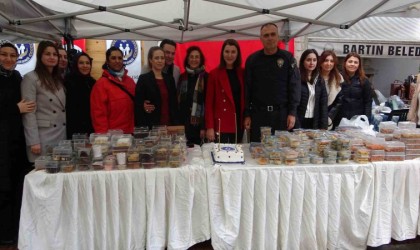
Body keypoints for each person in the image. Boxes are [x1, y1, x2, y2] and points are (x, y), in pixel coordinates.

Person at [0, 40, 35, 247]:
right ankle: (4, 235)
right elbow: (17, 107)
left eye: (12, 56)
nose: (8, 59)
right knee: (3, 189)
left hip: (16, 142)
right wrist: (15, 109)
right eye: (4, 55)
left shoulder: (16, 77)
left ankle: (15, 231)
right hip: (1, 144)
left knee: (16, 187)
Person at [244, 23, 301, 142]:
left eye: (273, 34)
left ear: (278, 37)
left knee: (280, 154)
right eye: (266, 35)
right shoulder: (252, 60)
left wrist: (292, 112)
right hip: (259, 115)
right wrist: (247, 114)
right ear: (261, 39)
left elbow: (294, 87)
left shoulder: (288, 58)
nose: (269, 38)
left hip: (281, 115)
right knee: (258, 152)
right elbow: (247, 89)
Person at [21, 40, 66, 163]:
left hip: (60, 134)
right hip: (43, 137)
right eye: (47, 54)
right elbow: (29, 112)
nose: (52, 57)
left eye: (54, 54)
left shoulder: (57, 79)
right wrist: (33, 141)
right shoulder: (30, 78)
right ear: (40, 56)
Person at [205, 39, 245, 143]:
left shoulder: (242, 73)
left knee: (237, 156)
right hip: (221, 124)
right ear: (222, 53)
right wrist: (210, 127)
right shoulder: (214, 74)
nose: (230, 55)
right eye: (227, 51)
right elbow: (209, 103)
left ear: (237, 54)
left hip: (238, 122)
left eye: (233, 52)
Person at [90, 46, 136, 134]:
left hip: (131, 133)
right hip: (113, 137)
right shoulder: (100, 85)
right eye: (113, 58)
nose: (117, 61)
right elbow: (98, 115)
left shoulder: (130, 81)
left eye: (120, 58)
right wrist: (103, 137)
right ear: (107, 61)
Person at [135, 46, 178, 128]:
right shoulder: (143, 79)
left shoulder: (170, 79)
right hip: (151, 125)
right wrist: (142, 106)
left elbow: (174, 103)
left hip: (169, 124)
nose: (160, 61)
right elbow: (137, 103)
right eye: (157, 58)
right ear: (151, 60)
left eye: (162, 58)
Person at [178, 46, 208, 145]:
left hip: (200, 126)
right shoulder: (182, 77)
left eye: (197, 57)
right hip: (184, 123)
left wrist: (204, 127)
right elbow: (178, 101)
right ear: (187, 59)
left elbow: (207, 103)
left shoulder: (206, 77)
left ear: (201, 59)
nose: (194, 59)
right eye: (191, 57)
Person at [64, 52, 95, 138]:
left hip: (91, 128)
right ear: (75, 65)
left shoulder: (92, 82)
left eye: (87, 63)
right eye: (81, 63)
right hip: (74, 129)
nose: (85, 66)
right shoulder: (67, 82)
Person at [296, 49, 328, 129]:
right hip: (299, 119)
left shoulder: (320, 80)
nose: (312, 63)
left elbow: (323, 104)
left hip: (314, 120)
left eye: (314, 60)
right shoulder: (297, 78)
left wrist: (324, 125)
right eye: (308, 60)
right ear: (303, 61)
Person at [337, 52, 372, 123]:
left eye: (356, 62)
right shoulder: (338, 78)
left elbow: (368, 102)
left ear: (359, 65)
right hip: (340, 119)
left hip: (357, 120)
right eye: (350, 61)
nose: (352, 64)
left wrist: (365, 119)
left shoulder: (364, 81)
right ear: (345, 63)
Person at [319, 50, 343, 129]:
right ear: (321, 62)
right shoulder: (314, 77)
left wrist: (329, 117)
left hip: (330, 118)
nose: (329, 63)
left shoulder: (338, 79)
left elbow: (338, 102)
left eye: (331, 61)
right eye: (326, 60)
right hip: (314, 116)